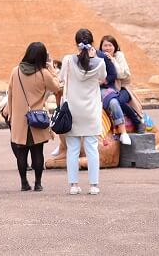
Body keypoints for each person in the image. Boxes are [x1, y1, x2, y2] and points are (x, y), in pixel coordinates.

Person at [4, 42, 61, 192]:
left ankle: (23, 182)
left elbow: (10, 93)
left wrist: (10, 113)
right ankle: (38, 183)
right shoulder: (43, 73)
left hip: (19, 119)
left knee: (21, 152)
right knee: (38, 151)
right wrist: (52, 70)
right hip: (37, 118)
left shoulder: (15, 71)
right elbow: (56, 87)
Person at [59, 28, 106, 196]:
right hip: (91, 111)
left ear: (76, 43)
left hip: (73, 110)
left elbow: (61, 79)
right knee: (92, 148)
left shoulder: (67, 60)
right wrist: (94, 58)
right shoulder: (100, 62)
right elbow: (103, 78)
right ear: (92, 43)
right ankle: (93, 185)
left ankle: (74, 185)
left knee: (72, 149)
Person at [99, 35, 144, 133]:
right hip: (107, 89)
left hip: (122, 88)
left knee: (118, 101)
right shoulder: (99, 58)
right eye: (105, 45)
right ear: (101, 47)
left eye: (110, 45)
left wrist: (112, 61)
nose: (107, 48)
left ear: (114, 47)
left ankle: (137, 122)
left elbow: (123, 74)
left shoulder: (119, 56)